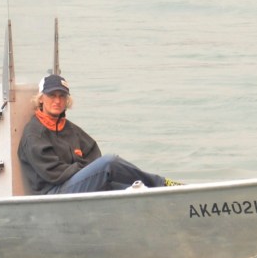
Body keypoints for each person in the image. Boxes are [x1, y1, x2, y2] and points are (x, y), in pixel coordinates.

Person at [17, 74, 182, 195]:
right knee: (109, 163)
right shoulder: (34, 133)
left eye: (62, 96)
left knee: (130, 191)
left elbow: (93, 155)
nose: (57, 101)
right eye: (52, 95)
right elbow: (54, 174)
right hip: (53, 193)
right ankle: (161, 183)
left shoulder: (70, 129)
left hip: (75, 184)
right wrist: (86, 169)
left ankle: (169, 197)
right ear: (40, 99)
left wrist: (88, 171)